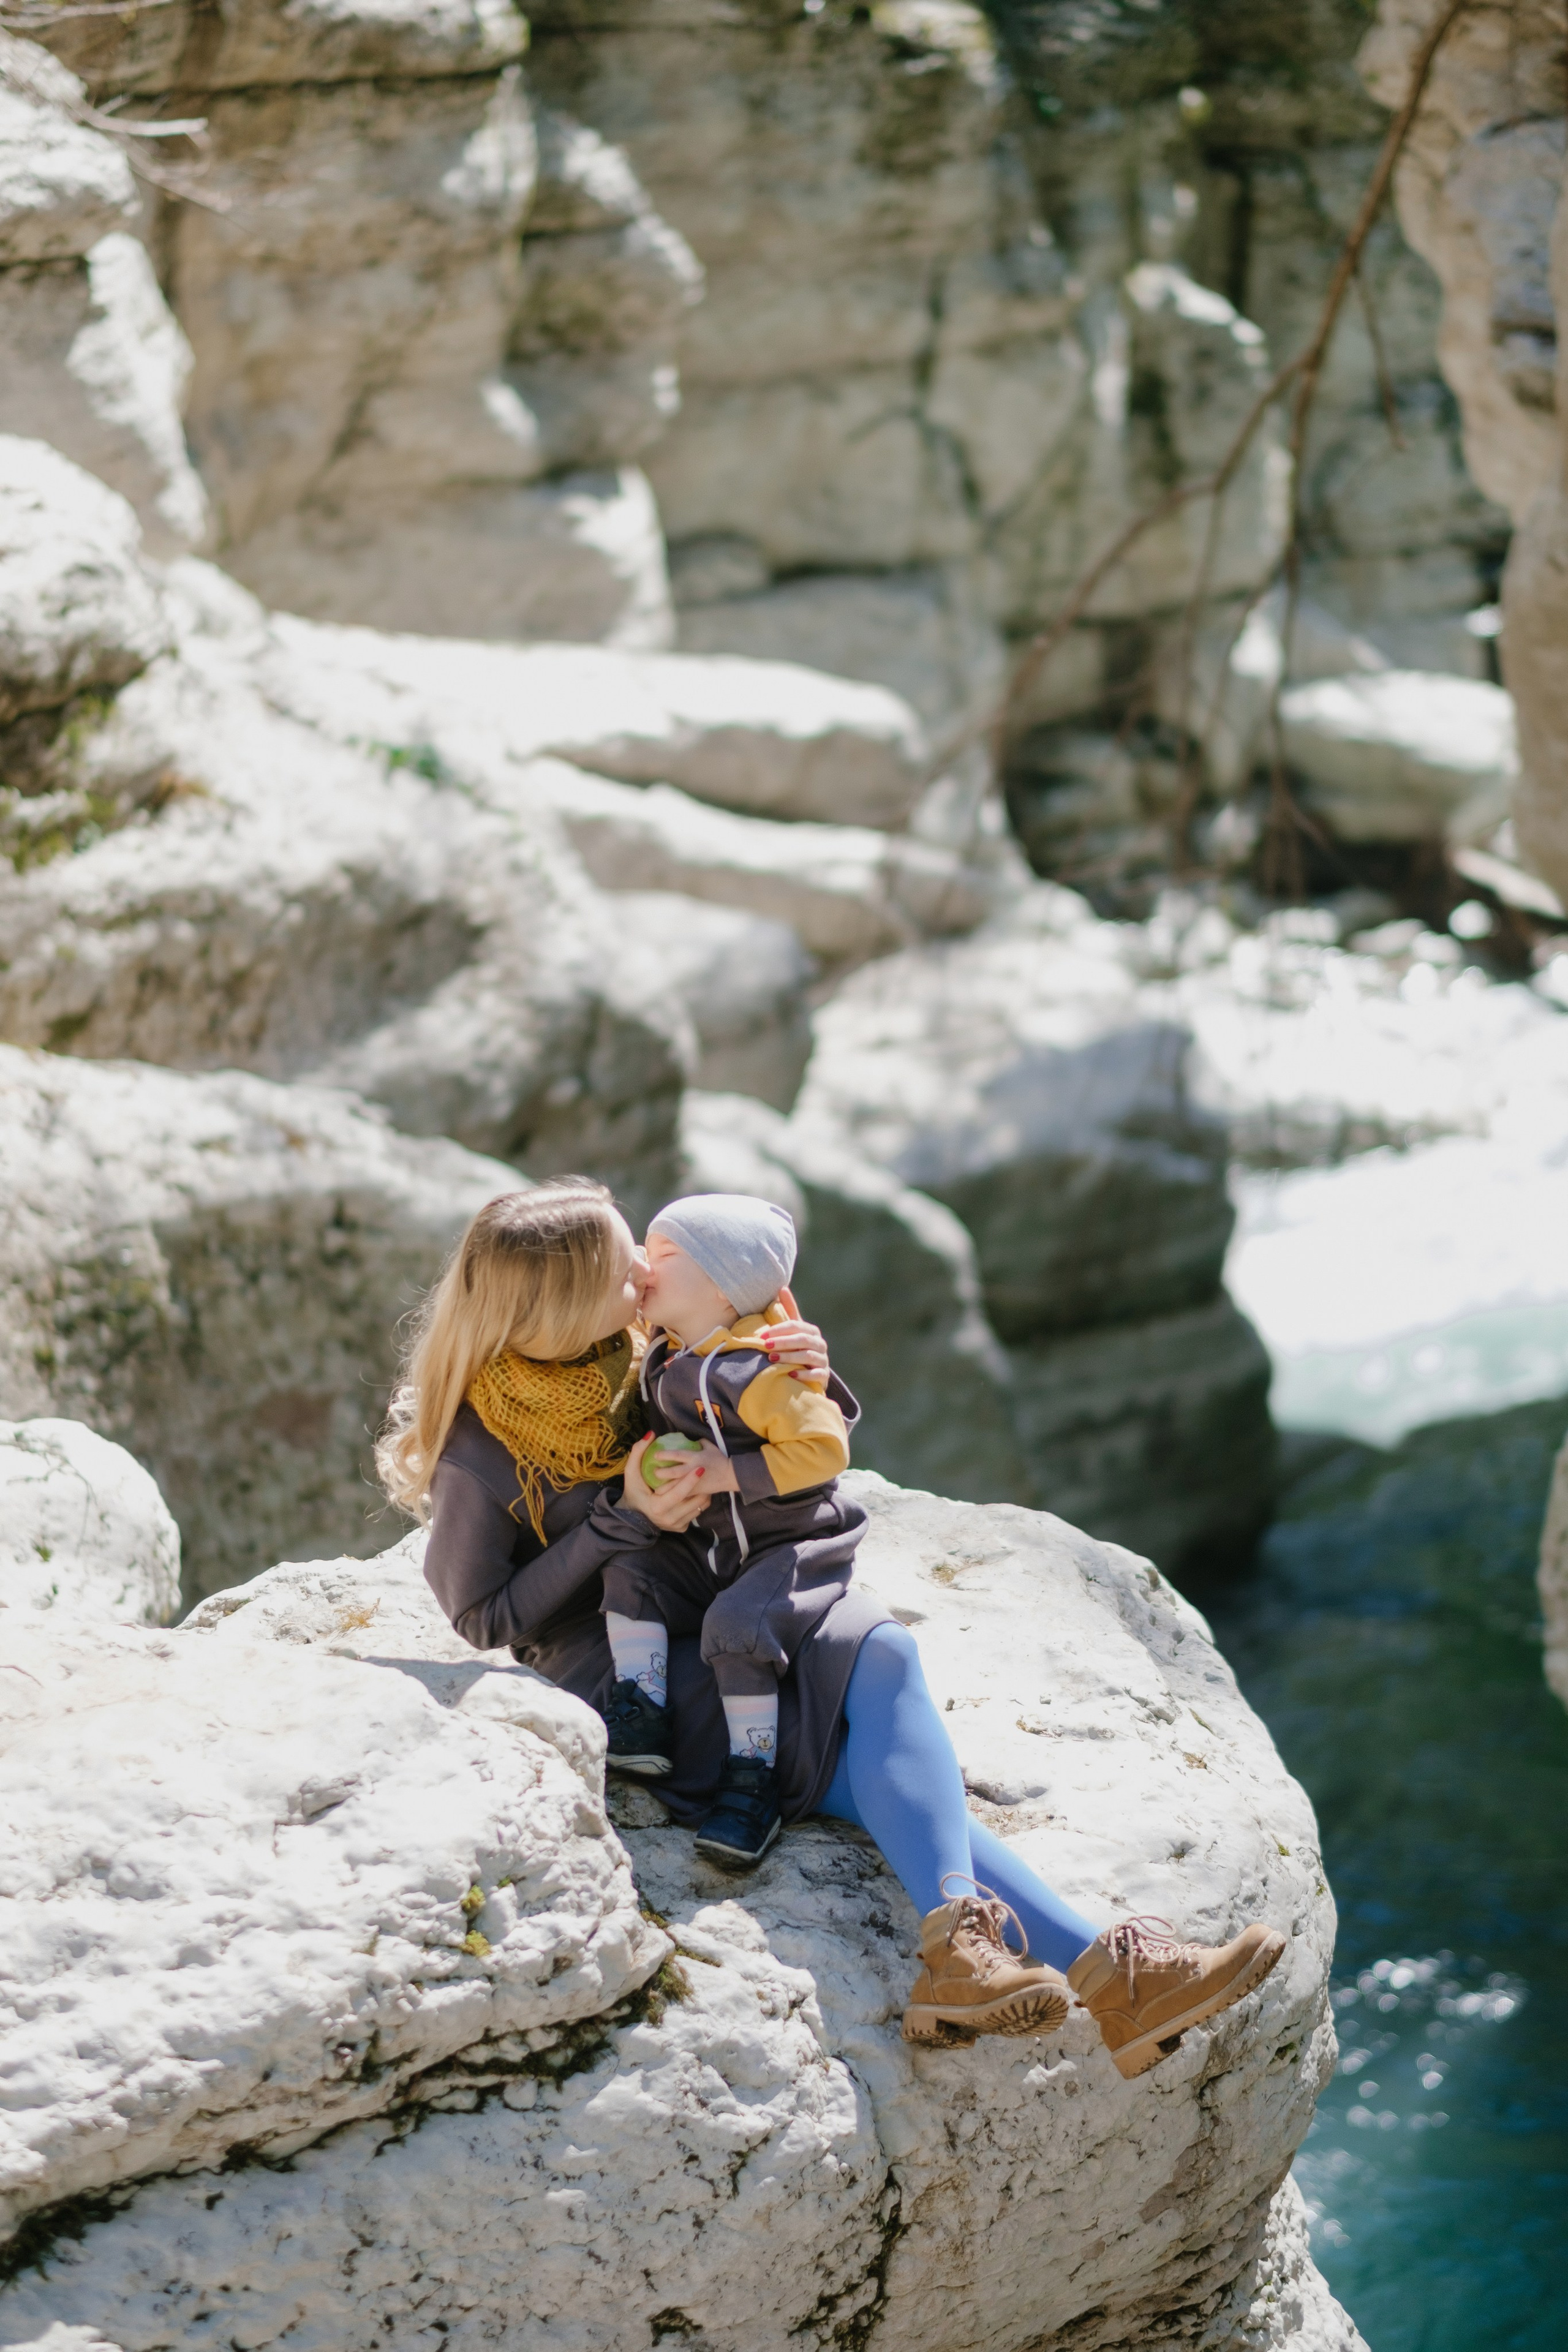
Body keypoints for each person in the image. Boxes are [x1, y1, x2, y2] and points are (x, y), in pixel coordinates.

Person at [379, 1178, 1287, 2070]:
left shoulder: (634, 1353)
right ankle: (1097, 1972)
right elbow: (479, 1618)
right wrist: (623, 1523)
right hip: (622, 1655)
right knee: (847, 1763)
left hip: (719, 1586)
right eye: (629, 1272)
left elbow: (759, 1400)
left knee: (883, 1651)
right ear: (564, 1296)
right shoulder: (480, 1449)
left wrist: (799, 1360)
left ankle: (996, 1962)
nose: (649, 1283)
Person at [598, 1192, 869, 1872]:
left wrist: (728, 1470)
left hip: (790, 1544)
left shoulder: (763, 1368)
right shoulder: (664, 1349)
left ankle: (754, 1780)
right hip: (712, 1544)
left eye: (662, 1255)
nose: (643, 1266)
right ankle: (642, 1710)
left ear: (721, 1285)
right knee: (634, 1570)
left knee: (737, 1627)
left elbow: (826, 1450)